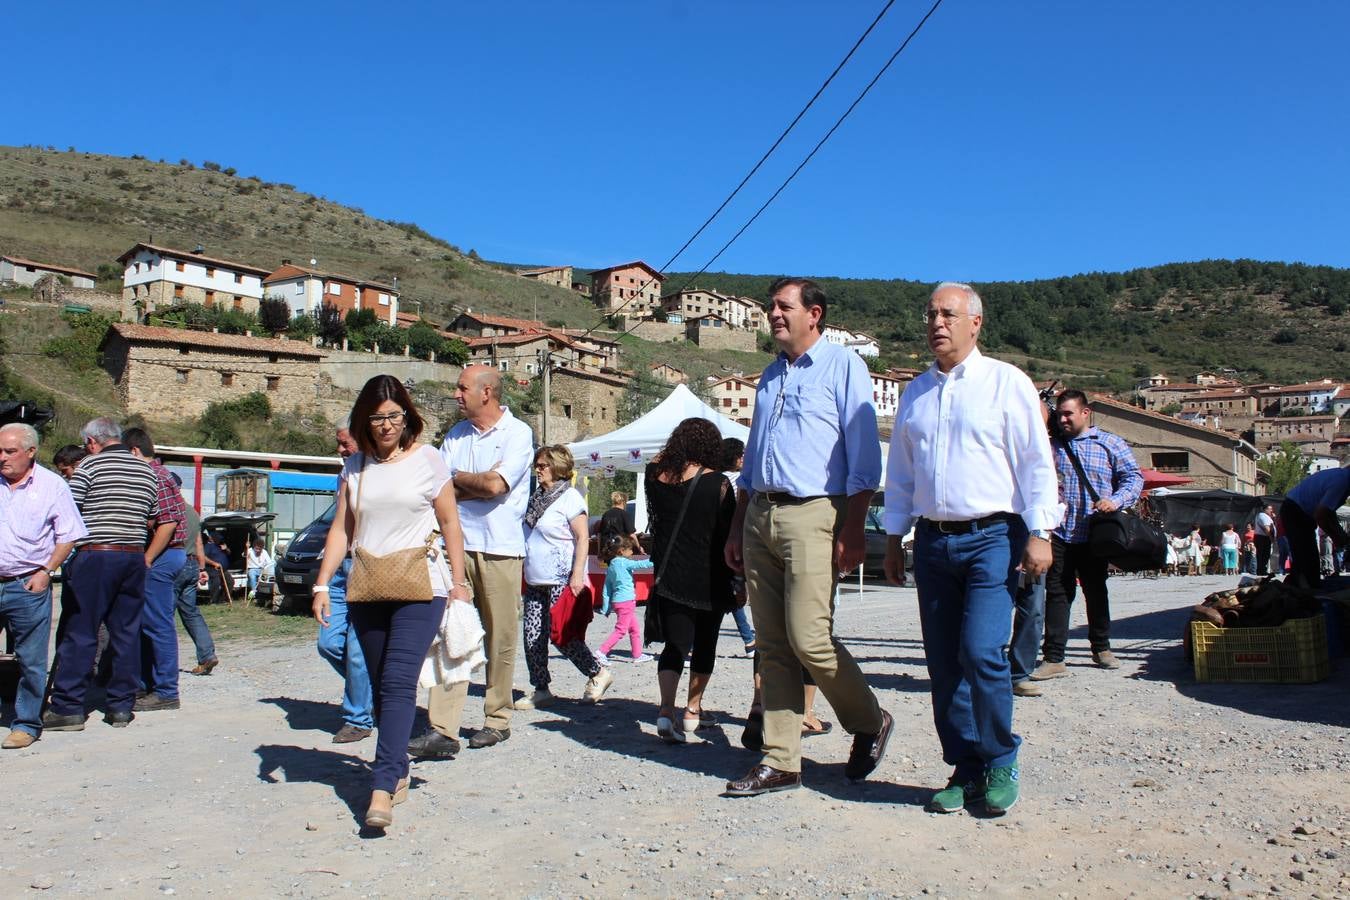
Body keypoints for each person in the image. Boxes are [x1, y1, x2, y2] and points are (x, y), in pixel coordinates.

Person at [883, 281, 1058, 815]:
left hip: (993, 538)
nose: (937, 323)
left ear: (975, 322)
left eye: (949, 314)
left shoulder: (1007, 384)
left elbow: (1035, 462)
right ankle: (965, 766)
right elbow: (902, 475)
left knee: (982, 652)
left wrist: (1041, 531)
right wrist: (894, 537)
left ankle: (1001, 755)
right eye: (931, 314)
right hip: (934, 542)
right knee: (943, 662)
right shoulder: (915, 392)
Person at [724, 278, 891, 796]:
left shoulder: (845, 367)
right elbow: (752, 462)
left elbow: (864, 455)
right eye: (770, 307)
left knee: (809, 638)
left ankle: (869, 721)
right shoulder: (769, 378)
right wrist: (737, 524)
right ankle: (782, 760)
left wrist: (855, 526)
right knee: (771, 643)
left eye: (783, 306)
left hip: (816, 513)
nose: (773, 314)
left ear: (813, 314)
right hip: (760, 515)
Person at [311, 374, 471, 830]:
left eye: (394, 416)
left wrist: (459, 582)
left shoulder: (429, 460)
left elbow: (451, 523)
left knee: (399, 681)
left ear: (407, 416)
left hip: (423, 585)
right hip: (368, 585)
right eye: (377, 418)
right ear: (364, 420)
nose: (385, 426)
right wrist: (322, 584)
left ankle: (381, 786)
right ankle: (397, 765)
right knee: (382, 683)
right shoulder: (355, 467)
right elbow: (341, 529)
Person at [412, 364, 532, 756]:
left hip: (501, 548)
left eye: (462, 388)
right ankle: (443, 728)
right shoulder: (455, 435)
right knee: (451, 632)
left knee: (500, 637)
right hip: (457, 546)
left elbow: (497, 487)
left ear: (487, 392)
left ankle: (497, 719)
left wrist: (459, 479)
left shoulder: (518, 434)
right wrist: (473, 483)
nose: (456, 394)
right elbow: (438, 491)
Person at [45, 417, 162, 732]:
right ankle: (121, 706)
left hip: (96, 553)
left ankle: (68, 707)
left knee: (81, 629)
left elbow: (71, 512)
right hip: (134, 555)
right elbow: (152, 518)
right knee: (126, 631)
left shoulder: (89, 468)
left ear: (92, 442)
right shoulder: (147, 471)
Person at [1034, 390, 1143, 678]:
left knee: (1096, 589)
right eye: (1060, 414)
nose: (1063, 419)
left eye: (1069, 413)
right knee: (1057, 593)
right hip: (1059, 532)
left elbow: (1133, 478)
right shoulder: (1050, 447)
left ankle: (1101, 647)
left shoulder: (1109, 443)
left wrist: (1116, 500)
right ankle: (1054, 657)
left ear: (1086, 412)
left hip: (1096, 530)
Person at [646, 418, 736, 744]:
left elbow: (656, 521)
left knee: (676, 644)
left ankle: (665, 710)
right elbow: (729, 535)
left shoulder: (655, 476)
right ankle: (692, 711)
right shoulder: (720, 483)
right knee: (706, 643)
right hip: (710, 575)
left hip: (670, 573)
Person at [0, 423, 86, 749]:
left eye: (10, 451)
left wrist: (46, 571)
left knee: (30, 659)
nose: (3, 458)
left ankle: (25, 723)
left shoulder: (52, 486)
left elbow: (69, 534)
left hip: (27, 584)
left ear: (31, 452)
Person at [518, 445, 612, 707]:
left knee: (563, 635)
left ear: (557, 467)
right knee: (532, 636)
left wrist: (577, 574)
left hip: (561, 577)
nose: (538, 469)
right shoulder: (535, 498)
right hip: (535, 578)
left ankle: (597, 673)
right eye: (537, 464)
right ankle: (541, 687)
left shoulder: (570, 498)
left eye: (543, 465)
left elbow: (583, 538)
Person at [315, 416, 373, 744]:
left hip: (365, 567)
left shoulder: (377, 472)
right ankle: (371, 692)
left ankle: (358, 718)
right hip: (339, 569)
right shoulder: (345, 472)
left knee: (357, 649)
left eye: (344, 442)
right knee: (328, 643)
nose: (339, 449)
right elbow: (338, 525)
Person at [123, 427, 189, 712]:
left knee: (157, 624)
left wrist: (147, 557)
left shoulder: (155, 477)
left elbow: (169, 522)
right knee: (147, 623)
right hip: (165, 556)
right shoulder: (160, 475)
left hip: (163, 556)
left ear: (135, 451)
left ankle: (165, 691)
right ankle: (149, 684)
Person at [172, 474, 218, 676]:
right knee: (190, 612)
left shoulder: (170, 509)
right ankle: (207, 654)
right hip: (191, 565)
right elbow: (199, 543)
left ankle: (161, 664)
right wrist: (201, 569)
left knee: (163, 616)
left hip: (173, 563)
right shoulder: (192, 512)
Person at [1280, 466, 1350, 590]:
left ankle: (1300, 585)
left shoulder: (1339, 475)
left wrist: (1339, 533)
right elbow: (1321, 515)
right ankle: (1303, 591)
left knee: (1306, 556)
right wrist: (1336, 537)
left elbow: (1328, 511)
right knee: (1306, 557)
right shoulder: (1343, 481)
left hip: (1298, 510)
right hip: (1295, 511)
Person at [720, 437, 755, 654]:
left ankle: (749, 638)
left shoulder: (716, 478)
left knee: (728, 591)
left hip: (721, 539)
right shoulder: (740, 479)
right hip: (738, 538)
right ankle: (749, 639)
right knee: (734, 589)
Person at [596, 535, 653, 664]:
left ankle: (637, 655)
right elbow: (641, 564)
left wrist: (606, 607)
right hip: (626, 602)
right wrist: (656, 559)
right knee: (621, 630)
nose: (632, 552)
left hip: (619, 602)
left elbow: (606, 589)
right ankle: (601, 652)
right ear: (621, 551)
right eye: (630, 549)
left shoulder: (611, 566)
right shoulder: (623, 562)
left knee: (634, 629)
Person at [1254, 504, 1276, 575]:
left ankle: (1261, 570)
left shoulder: (1266, 516)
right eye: (1270, 509)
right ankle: (1261, 570)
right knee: (1263, 554)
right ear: (1265, 509)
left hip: (1263, 537)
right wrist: (1271, 538)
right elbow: (1267, 528)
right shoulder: (1263, 516)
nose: (1271, 510)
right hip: (1263, 538)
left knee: (1264, 554)